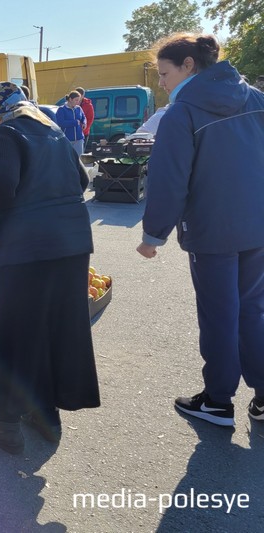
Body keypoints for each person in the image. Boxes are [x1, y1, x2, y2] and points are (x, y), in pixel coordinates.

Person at [0, 82, 100, 454]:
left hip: (30, 248)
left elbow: (2, 182)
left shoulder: (7, 130)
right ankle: (47, 417)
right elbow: (82, 179)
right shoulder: (49, 127)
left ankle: (6, 426)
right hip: (72, 244)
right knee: (54, 330)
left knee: (16, 334)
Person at [137, 33, 264, 427]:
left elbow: (169, 179)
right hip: (258, 227)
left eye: (164, 73)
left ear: (188, 65)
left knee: (218, 316)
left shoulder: (182, 113)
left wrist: (152, 235)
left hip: (212, 233)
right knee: (254, 312)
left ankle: (217, 401)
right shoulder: (257, 99)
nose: (161, 83)